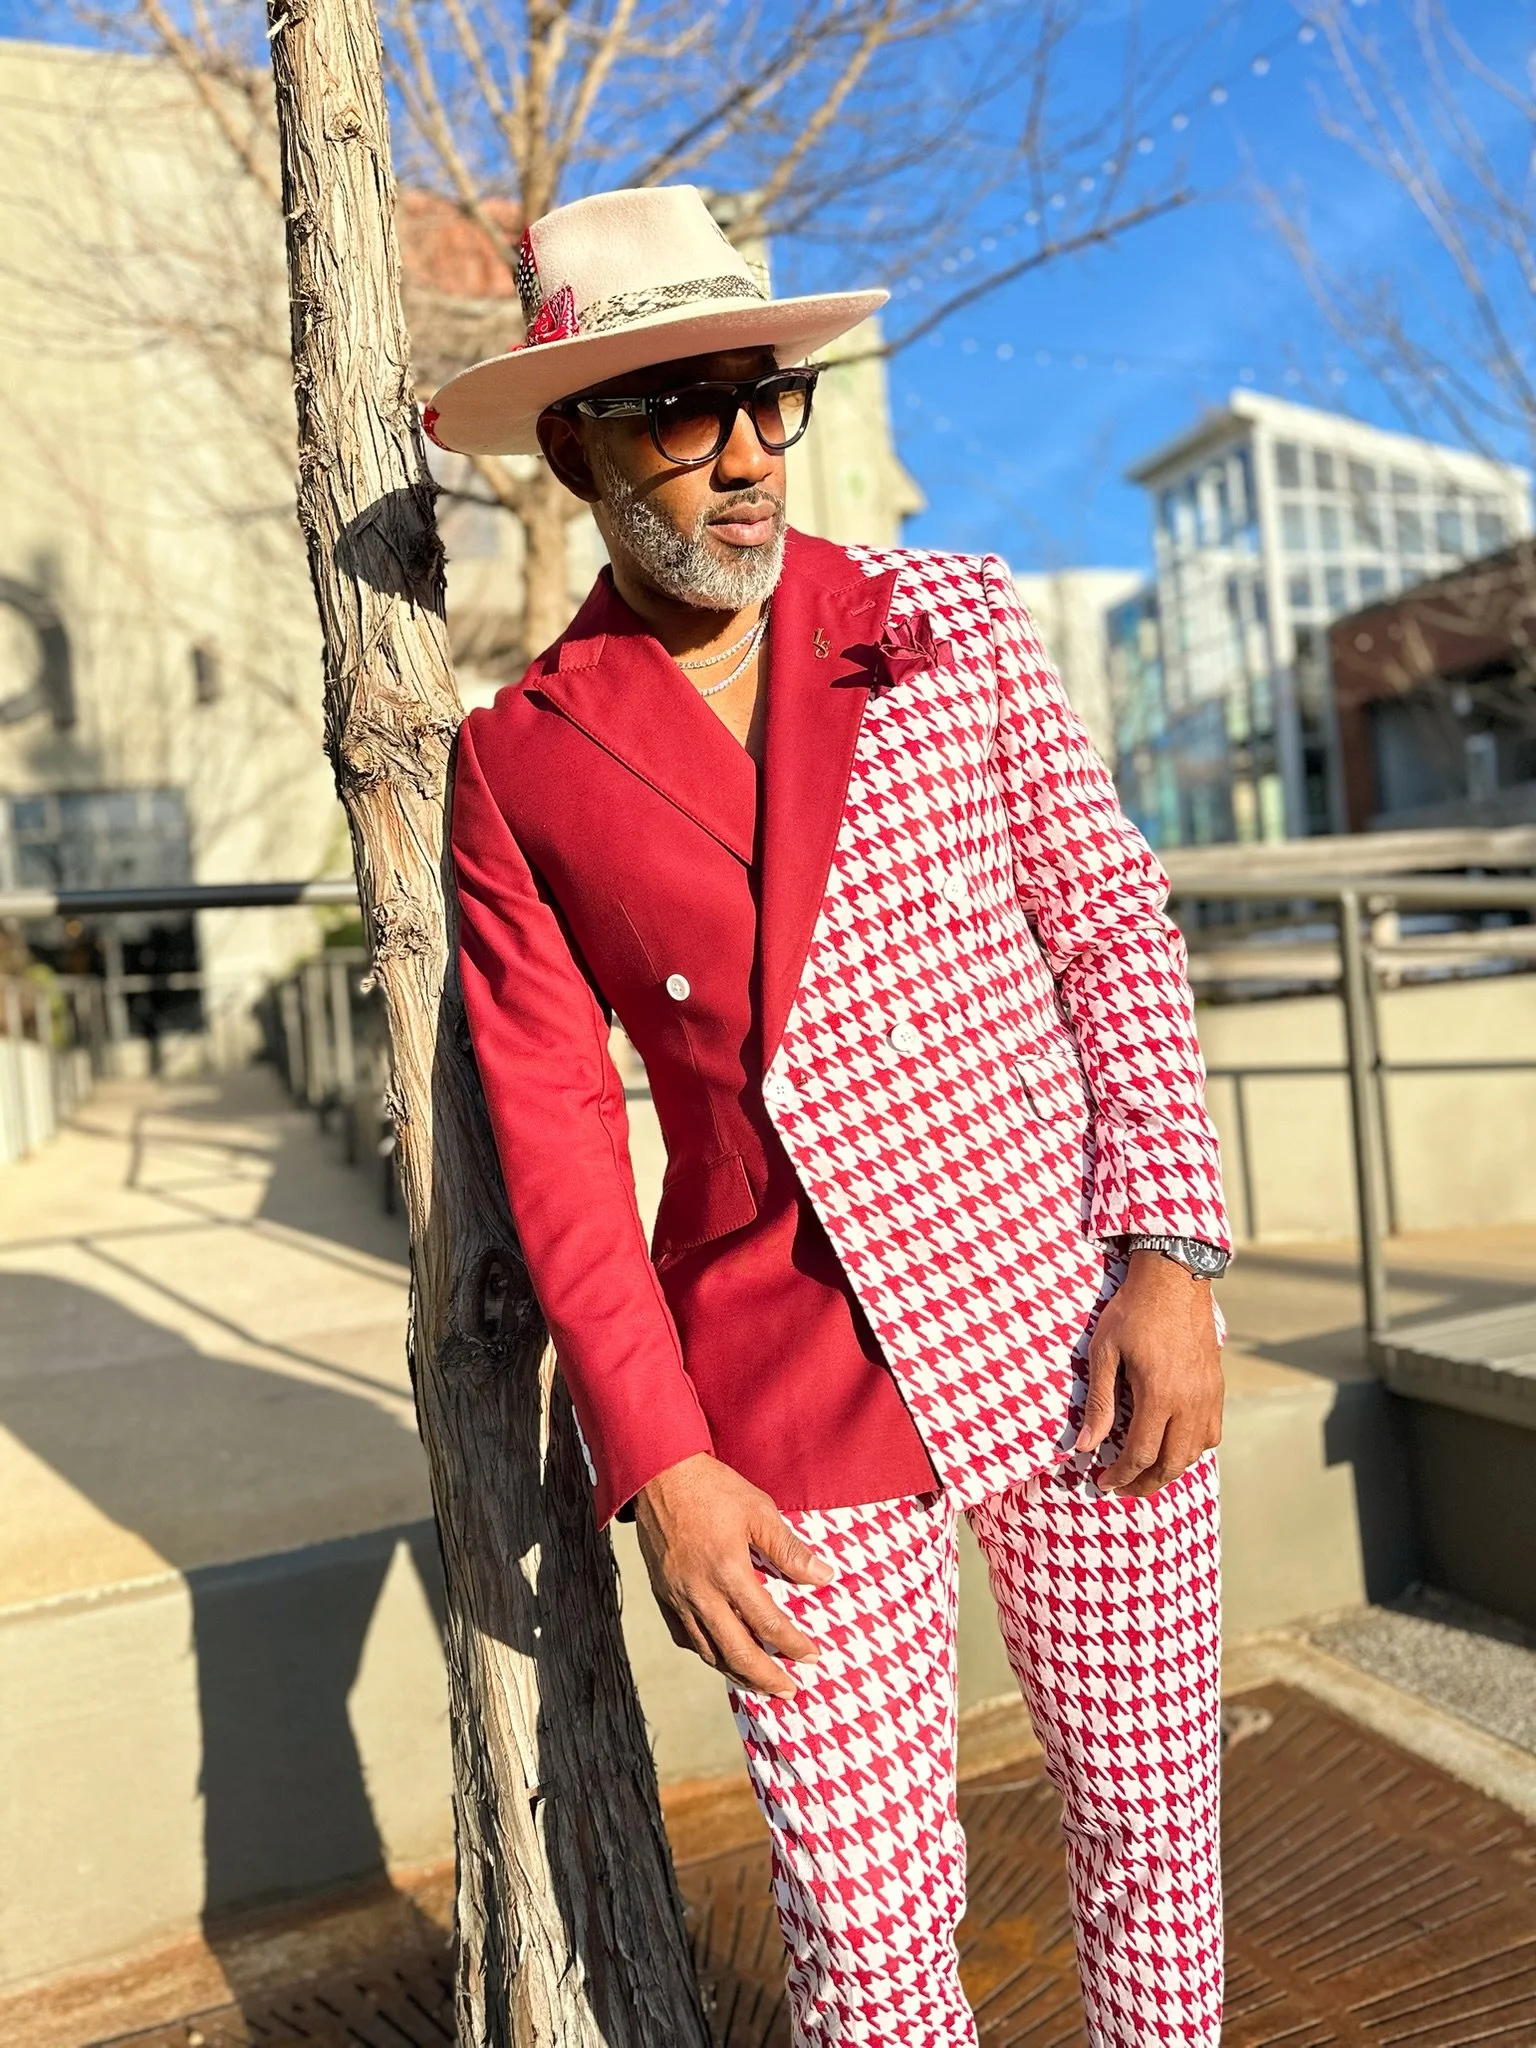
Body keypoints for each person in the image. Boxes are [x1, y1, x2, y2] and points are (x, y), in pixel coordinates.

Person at [435, 183, 1230, 2048]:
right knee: (867, 1945)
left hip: (1075, 1332)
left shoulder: (947, 622)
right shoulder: (520, 757)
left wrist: (1172, 1252)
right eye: (677, 411)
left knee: (1149, 1841)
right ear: (573, 449)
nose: (740, 461)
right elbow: (554, 1132)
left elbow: (1111, 926)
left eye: (763, 398)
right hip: (780, 1393)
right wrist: (658, 1456)